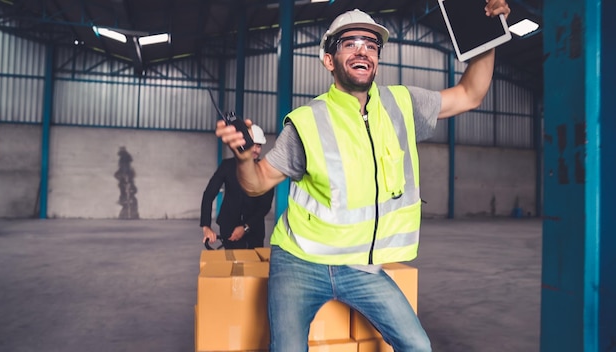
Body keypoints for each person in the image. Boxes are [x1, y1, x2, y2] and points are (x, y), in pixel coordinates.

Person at [216, 2, 511, 350]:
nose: (363, 51)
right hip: (300, 262)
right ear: (329, 60)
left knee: (418, 346)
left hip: (359, 266)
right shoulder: (308, 121)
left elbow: (469, 94)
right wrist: (242, 159)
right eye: (350, 43)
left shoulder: (402, 104)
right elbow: (257, 182)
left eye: (371, 45)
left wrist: (489, 33)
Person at [201, 124, 274, 249]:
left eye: (258, 146)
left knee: (253, 267)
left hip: (254, 230)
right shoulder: (227, 166)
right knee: (233, 266)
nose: (255, 150)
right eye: (252, 145)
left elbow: (265, 206)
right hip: (228, 227)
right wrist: (206, 226)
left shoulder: (265, 171)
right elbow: (209, 194)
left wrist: (245, 227)